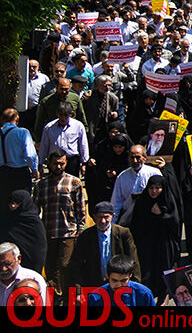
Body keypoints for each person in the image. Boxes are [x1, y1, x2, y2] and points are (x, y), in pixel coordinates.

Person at [120, 174, 180, 299]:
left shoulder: (168, 200)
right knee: (147, 269)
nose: (154, 191)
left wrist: (161, 215)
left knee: (164, 268)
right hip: (147, 242)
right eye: (151, 188)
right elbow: (137, 221)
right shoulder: (143, 201)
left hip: (164, 243)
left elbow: (175, 222)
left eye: (157, 188)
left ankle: (165, 295)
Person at [33, 150, 86, 293]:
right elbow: (35, 211)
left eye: (62, 163)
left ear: (66, 163)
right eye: (55, 163)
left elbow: (81, 210)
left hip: (68, 232)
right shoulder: (41, 185)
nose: (58, 167)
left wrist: (80, 231)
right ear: (49, 164)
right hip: (48, 232)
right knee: (50, 267)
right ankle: (55, 297)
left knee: (65, 266)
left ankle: (68, 296)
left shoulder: (74, 182)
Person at [68, 200, 138, 287]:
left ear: (113, 216)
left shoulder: (123, 233)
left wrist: (136, 287)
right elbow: (76, 264)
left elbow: (133, 260)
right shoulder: (86, 236)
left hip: (119, 284)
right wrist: (78, 290)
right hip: (93, 283)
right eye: (99, 217)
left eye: (106, 217)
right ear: (94, 217)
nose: (103, 221)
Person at [84, 254, 155, 308]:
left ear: (130, 275)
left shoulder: (144, 294)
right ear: (107, 276)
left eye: (123, 280)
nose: (119, 285)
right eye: (114, 280)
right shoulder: (95, 297)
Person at [110, 144, 161, 219]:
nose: (135, 161)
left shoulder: (154, 173)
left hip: (150, 216)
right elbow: (116, 202)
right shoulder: (122, 177)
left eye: (138, 157)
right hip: (129, 216)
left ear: (145, 157)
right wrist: (113, 223)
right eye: (132, 157)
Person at [0, 108, 38, 199]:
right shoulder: (22, 132)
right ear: (17, 119)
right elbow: (30, 154)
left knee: (5, 201)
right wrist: (34, 169)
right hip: (19, 172)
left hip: (2, 172)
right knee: (22, 200)